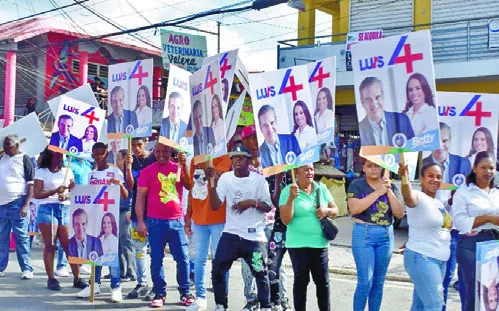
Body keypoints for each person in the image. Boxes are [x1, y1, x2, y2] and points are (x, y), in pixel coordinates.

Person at [206, 145, 273, 311]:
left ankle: (265, 305)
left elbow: (268, 207)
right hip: (232, 233)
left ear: (248, 160)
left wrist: (251, 203)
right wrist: (211, 182)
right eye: (234, 157)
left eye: (241, 157)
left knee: (260, 272)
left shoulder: (258, 180)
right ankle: (221, 304)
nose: (237, 160)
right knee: (218, 268)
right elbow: (215, 206)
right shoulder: (226, 178)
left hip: (254, 236)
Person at [135, 143, 194, 308]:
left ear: (171, 152)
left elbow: (189, 186)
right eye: (159, 151)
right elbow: (140, 197)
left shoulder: (178, 168)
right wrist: (140, 221)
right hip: (155, 222)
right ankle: (159, 293)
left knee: (183, 258)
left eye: (165, 151)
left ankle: (185, 291)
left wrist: (184, 166)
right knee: (156, 259)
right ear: (154, 152)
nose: (162, 154)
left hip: (177, 221)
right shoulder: (148, 171)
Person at [240, 126, 291, 311]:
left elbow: (282, 192)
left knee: (277, 263)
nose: (254, 141)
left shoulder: (273, 163)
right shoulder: (240, 165)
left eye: (257, 137)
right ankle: (252, 299)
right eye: (250, 138)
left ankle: (281, 298)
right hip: (250, 224)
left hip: (273, 222)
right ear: (244, 141)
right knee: (251, 263)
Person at [75, 142, 131, 302]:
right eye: (96, 154)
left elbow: (125, 196)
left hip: (109, 218)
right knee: (95, 250)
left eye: (102, 154)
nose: (99, 157)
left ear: (107, 154)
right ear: (92, 156)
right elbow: (85, 195)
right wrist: (74, 189)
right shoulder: (91, 174)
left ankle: (115, 285)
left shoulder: (114, 172)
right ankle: (95, 284)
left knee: (111, 250)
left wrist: (119, 184)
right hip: (94, 218)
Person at [347, 159, 404, 311]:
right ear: (364, 168)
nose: (373, 169)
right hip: (364, 233)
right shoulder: (357, 185)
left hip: (386, 235)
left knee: (378, 282)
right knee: (365, 281)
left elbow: (399, 213)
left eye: (377, 165)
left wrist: (388, 190)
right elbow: (354, 208)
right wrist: (378, 191)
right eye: (370, 166)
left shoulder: (390, 186)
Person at [279, 163, 338, 311]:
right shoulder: (287, 191)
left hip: (320, 244)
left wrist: (326, 211)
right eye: (305, 169)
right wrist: (291, 199)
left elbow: (335, 210)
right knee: (301, 281)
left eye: (311, 169)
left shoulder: (321, 188)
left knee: (323, 283)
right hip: (298, 245)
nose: (310, 172)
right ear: (296, 173)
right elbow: (286, 220)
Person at [398, 162, 452, 310]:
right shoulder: (418, 196)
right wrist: (404, 177)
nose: (435, 179)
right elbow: (408, 197)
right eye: (430, 176)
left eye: (438, 177)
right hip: (423, 257)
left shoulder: (438, 203)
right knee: (435, 305)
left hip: (439, 260)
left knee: (420, 306)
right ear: (421, 178)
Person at [33, 147, 87, 291]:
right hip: (47, 209)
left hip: (64, 209)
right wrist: (54, 191)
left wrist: (66, 195)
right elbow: (36, 194)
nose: (59, 159)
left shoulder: (67, 171)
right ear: (49, 157)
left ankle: (77, 278)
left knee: (69, 245)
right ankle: (51, 278)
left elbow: (73, 190)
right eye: (56, 156)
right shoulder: (41, 172)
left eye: (61, 156)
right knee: (50, 245)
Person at [184, 154, 232, 311]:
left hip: (219, 218)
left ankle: (221, 301)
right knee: (199, 259)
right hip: (199, 219)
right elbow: (191, 188)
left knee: (220, 261)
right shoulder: (194, 160)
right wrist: (188, 214)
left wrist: (209, 166)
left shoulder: (225, 157)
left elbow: (220, 179)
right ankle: (200, 297)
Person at [453, 151, 499, 311]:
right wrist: (488, 218)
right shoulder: (464, 192)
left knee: (492, 291)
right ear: (474, 168)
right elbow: (459, 222)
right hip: (471, 246)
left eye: (491, 168)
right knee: (475, 290)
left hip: (495, 243)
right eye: (483, 167)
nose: (488, 172)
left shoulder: (497, 193)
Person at [0, 135, 35, 279]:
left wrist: (26, 205)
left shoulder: (24, 158)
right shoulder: (2, 158)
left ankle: (26, 268)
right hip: (1, 204)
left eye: (8, 144)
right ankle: (1, 266)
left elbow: (31, 184)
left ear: (16, 145)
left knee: (21, 237)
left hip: (17, 202)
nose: (5, 146)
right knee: (2, 238)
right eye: (4, 144)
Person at [126, 137, 156, 300]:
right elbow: (130, 187)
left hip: (154, 211)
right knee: (139, 250)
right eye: (134, 145)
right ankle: (141, 283)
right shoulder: (130, 160)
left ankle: (157, 285)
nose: (136, 148)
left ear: (145, 143)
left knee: (155, 252)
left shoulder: (153, 158)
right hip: (137, 212)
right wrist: (128, 167)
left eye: (139, 145)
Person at [358, 77, 415, 146]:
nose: (374, 103)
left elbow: (414, 150)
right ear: (362, 102)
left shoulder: (401, 120)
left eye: (377, 97)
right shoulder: (360, 129)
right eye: (368, 99)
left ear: (383, 96)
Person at [115, 149, 136, 282]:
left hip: (126, 210)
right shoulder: (116, 173)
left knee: (126, 241)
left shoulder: (129, 174)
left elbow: (134, 193)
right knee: (116, 243)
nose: (116, 160)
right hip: (115, 209)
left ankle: (131, 272)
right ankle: (120, 271)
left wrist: (131, 211)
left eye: (118, 158)